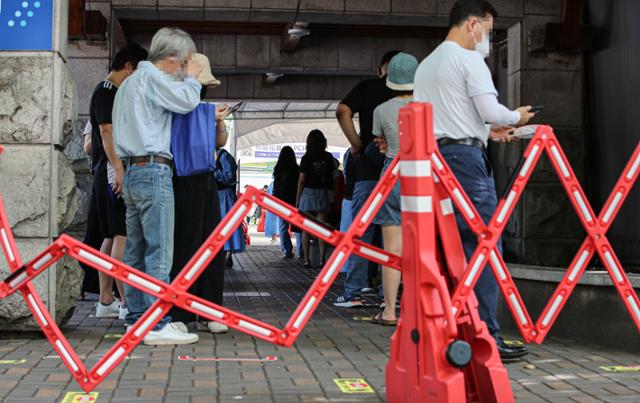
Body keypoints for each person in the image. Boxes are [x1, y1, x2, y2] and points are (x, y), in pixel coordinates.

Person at [413, 0, 535, 359]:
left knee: (447, 247)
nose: (488, 37)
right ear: (472, 24)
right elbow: (491, 109)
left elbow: (451, 117)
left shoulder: (429, 64)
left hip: (435, 160)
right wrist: (517, 116)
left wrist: (487, 131)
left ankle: (454, 332)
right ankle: (486, 337)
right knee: (483, 246)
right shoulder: (468, 59)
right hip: (466, 163)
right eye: (489, 28)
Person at [113, 27, 204, 346]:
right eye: (181, 64)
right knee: (159, 249)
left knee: (136, 250)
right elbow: (187, 101)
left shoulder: (128, 83)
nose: (182, 70)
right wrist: (192, 78)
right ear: (171, 58)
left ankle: (137, 319)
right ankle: (156, 322)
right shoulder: (153, 78)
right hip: (154, 170)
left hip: (132, 170)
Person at [168, 53, 230, 334]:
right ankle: (180, 314)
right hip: (180, 177)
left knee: (210, 244)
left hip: (205, 178)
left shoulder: (205, 107)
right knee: (185, 245)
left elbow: (220, 141)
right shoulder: (173, 101)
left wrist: (216, 120)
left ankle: (209, 310)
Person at [333, 50, 400, 308]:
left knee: (361, 232)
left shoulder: (368, 87)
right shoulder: (414, 94)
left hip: (368, 172)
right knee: (392, 236)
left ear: (380, 69)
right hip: (398, 172)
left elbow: (342, 111)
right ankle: (389, 297)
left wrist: (356, 144)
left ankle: (354, 292)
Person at [88, 44, 148, 319]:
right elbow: (105, 130)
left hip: (107, 172)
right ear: (129, 67)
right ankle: (126, 303)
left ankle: (106, 299)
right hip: (112, 172)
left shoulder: (108, 91)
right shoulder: (107, 92)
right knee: (122, 235)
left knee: (112, 236)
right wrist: (119, 169)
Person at [369, 52, 419, 326]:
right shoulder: (429, 105)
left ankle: (389, 311)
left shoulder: (381, 110)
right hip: (422, 175)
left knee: (392, 250)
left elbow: (381, 141)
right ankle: (416, 310)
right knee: (420, 248)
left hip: (392, 174)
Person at [296, 129, 337, 268]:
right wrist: (335, 196)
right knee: (321, 228)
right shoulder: (328, 158)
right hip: (323, 194)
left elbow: (302, 180)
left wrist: (297, 198)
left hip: (307, 194)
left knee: (306, 228)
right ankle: (321, 259)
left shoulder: (306, 158)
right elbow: (334, 177)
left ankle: (307, 259)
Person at [215, 145, 245, 269]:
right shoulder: (213, 155)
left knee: (227, 225)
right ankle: (222, 254)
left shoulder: (223, 155)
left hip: (225, 196)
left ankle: (227, 255)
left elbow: (229, 176)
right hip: (215, 194)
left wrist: (212, 172)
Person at [272, 146, 299, 259]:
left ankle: (287, 251)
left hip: (281, 201)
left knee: (283, 227)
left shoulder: (278, 169)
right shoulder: (297, 169)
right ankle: (302, 251)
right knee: (298, 226)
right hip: (294, 200)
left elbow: (275, 187)